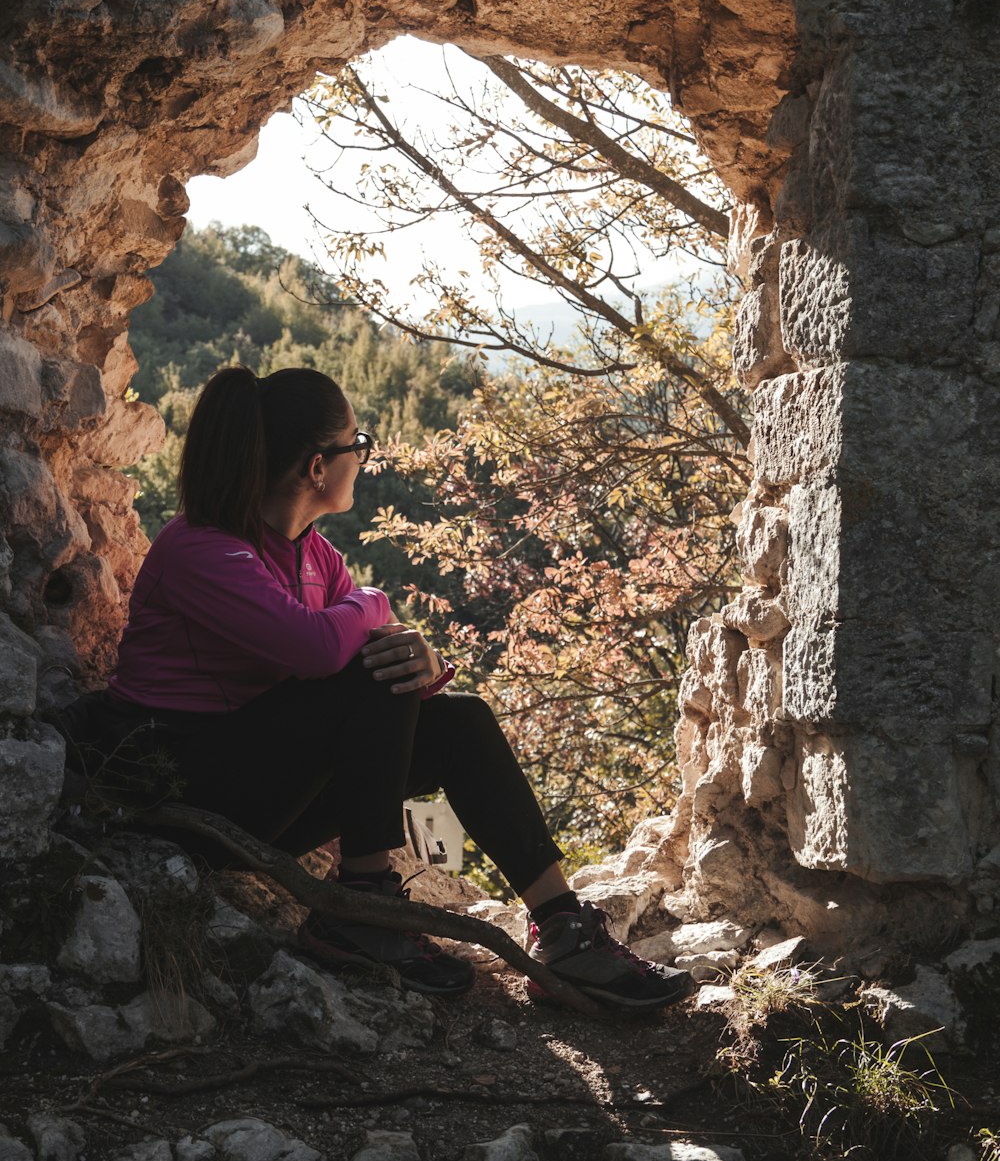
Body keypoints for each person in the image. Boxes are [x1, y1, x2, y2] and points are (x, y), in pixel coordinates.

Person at [103, 365, 690, 1009]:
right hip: (182, 795)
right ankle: (360, 910)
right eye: (359, 444)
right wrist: (378, 607)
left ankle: (564, 929)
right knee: (362, 669)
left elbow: (368, 666)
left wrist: (418, 657)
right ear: (318, 467)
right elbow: (322, 646)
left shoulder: (314, 556)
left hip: (262, 791)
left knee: (460, 720)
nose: (364, 457)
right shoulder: (201, 548)